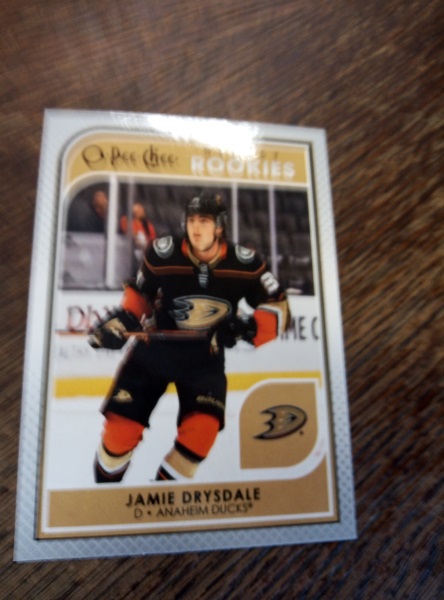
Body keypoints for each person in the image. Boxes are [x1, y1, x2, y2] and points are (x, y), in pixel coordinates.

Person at [88, 192, 290, 483]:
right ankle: (104, 493)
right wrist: (121, 322)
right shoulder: (163, 253)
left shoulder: (245, 263)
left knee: (201, 434)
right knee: (118, 436)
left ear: (219, 227)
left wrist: (247, 328)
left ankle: (162, 499)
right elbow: (140, 296)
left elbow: (278, 305)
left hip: (204, 360)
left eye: (204, 221)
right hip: (152, 354)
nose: (196, 227)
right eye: (192, 220)